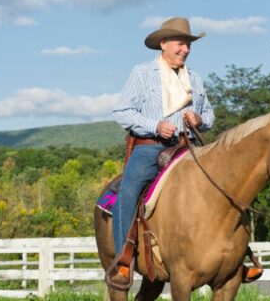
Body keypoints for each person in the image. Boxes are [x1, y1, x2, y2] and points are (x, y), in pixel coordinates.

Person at [110, 17, 262, 284]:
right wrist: (155, 125)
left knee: (230, 189)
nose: (186, 49)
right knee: (128, 191)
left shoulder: (194, 78)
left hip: (188, 149)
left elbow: (209, 114)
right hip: (151, 149)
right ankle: (123, 258)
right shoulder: (142, 73)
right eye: (181, 43)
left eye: (189, 45)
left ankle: (239, 256)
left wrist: (199, 120)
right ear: (164, 43)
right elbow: (122, 111)